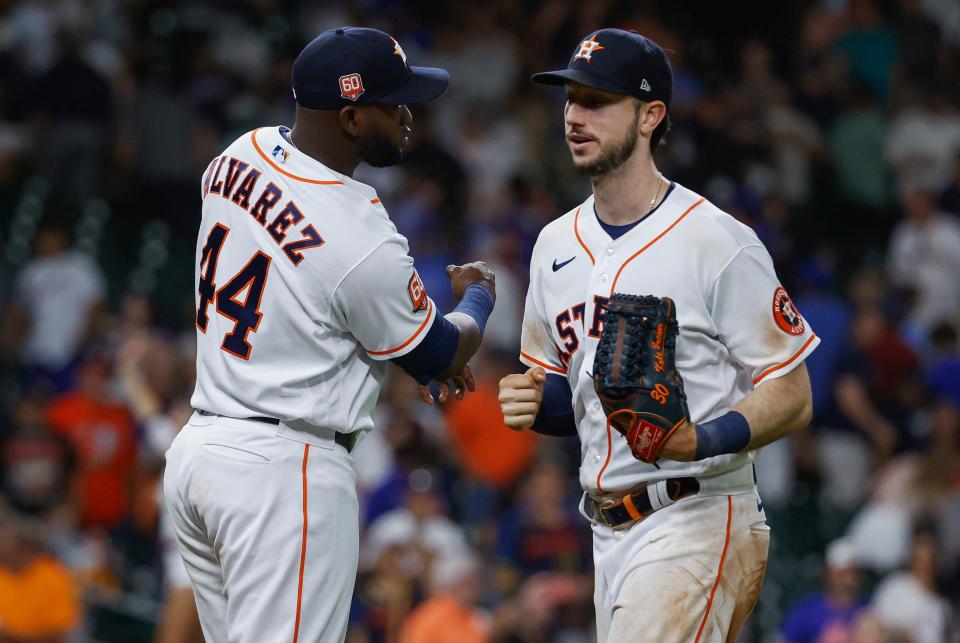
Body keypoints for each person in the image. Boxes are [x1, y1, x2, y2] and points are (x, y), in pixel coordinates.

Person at [163, 27, 496, 643]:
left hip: (201, 451)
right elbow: (443, 350)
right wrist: (479, 296)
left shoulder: (238, 154)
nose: (407, 115)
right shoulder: (360, 234)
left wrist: (414, 358)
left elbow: (316, 297)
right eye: (392, 103)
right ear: (349, 116)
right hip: (283, 471)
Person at [498, 29, 817, 642]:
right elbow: (595, 401)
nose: (574, 116)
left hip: (698, 513)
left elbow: (794, 392)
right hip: (606, 533)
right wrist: (541, 403)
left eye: (596, 101)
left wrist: (702, 438)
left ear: (651, 115)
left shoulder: (717, 241)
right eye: (570, 98)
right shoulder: (553, 245)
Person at [779, 539, 868, 643]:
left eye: (853, 573)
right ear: (828, 574)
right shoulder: (805, 611)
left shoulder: (868, 610)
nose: (849, 580)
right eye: (842, 574)